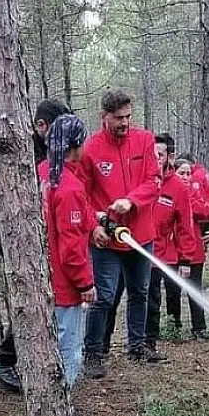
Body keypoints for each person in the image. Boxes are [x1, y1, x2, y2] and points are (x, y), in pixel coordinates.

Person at [79, 89, 161, 379]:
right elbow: (83, 195)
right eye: (118, 118)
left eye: (128, 116)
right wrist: (94, 226)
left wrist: (132, 200)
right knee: (104, 296)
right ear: (104, 116)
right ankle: (93, 352)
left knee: (140, 291)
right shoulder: (90, 148)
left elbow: (154, 181)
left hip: (141, 234)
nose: (124, 123)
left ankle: (137, 345)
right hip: (108, 239)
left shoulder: (145, 140)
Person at [0, 98, 72, 393]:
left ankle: (30, 359)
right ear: (41, 126)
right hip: (19, 237)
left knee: (42, 300)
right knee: (28, 301)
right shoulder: (22, 154)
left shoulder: (52, 152)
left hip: (42, 235)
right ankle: (5, 361)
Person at [43, 114, 96, 385]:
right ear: (76, 145)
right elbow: (71, 246)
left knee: (55, 342)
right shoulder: (69, 188)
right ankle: (63, 405)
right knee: (69, 347)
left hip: (49, 279)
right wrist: (85, 282)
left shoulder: (51, 180)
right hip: (65, 285)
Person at [145, 133, 197, 349]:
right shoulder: (143, 178)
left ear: (170, 157)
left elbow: (186, 225)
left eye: (160, 154)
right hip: (139, 250)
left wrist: (186, 259)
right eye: (153, 154)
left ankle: (151, 341)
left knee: (158, 296)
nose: (156, 158)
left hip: (165, 252)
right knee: (139, 297)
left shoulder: (177, 187)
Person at [176, 153, 209, 339]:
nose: (186, 177)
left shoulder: (194, 190)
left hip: (195, 249)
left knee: (196, 288)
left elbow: (205, 210)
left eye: (188, 173)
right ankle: (175, 325)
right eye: (182, 173)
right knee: (172, 291)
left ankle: (199, 327)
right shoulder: (169, 191)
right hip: (173, 250)